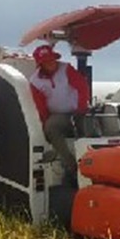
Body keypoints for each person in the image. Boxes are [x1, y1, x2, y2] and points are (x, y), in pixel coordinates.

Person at [28, 44, 90, 179]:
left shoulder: (66, 69)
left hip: (77, 111)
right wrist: (45, 124)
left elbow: (82, 87)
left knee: (85, 134)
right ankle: (71, 165)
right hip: (59, 116)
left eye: (52, 59)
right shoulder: (35, 81)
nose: (51, 63)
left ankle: (91, 163)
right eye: (47, 61)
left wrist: (81, 108)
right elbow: (41, 106)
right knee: (51, 127)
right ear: (41, 64)